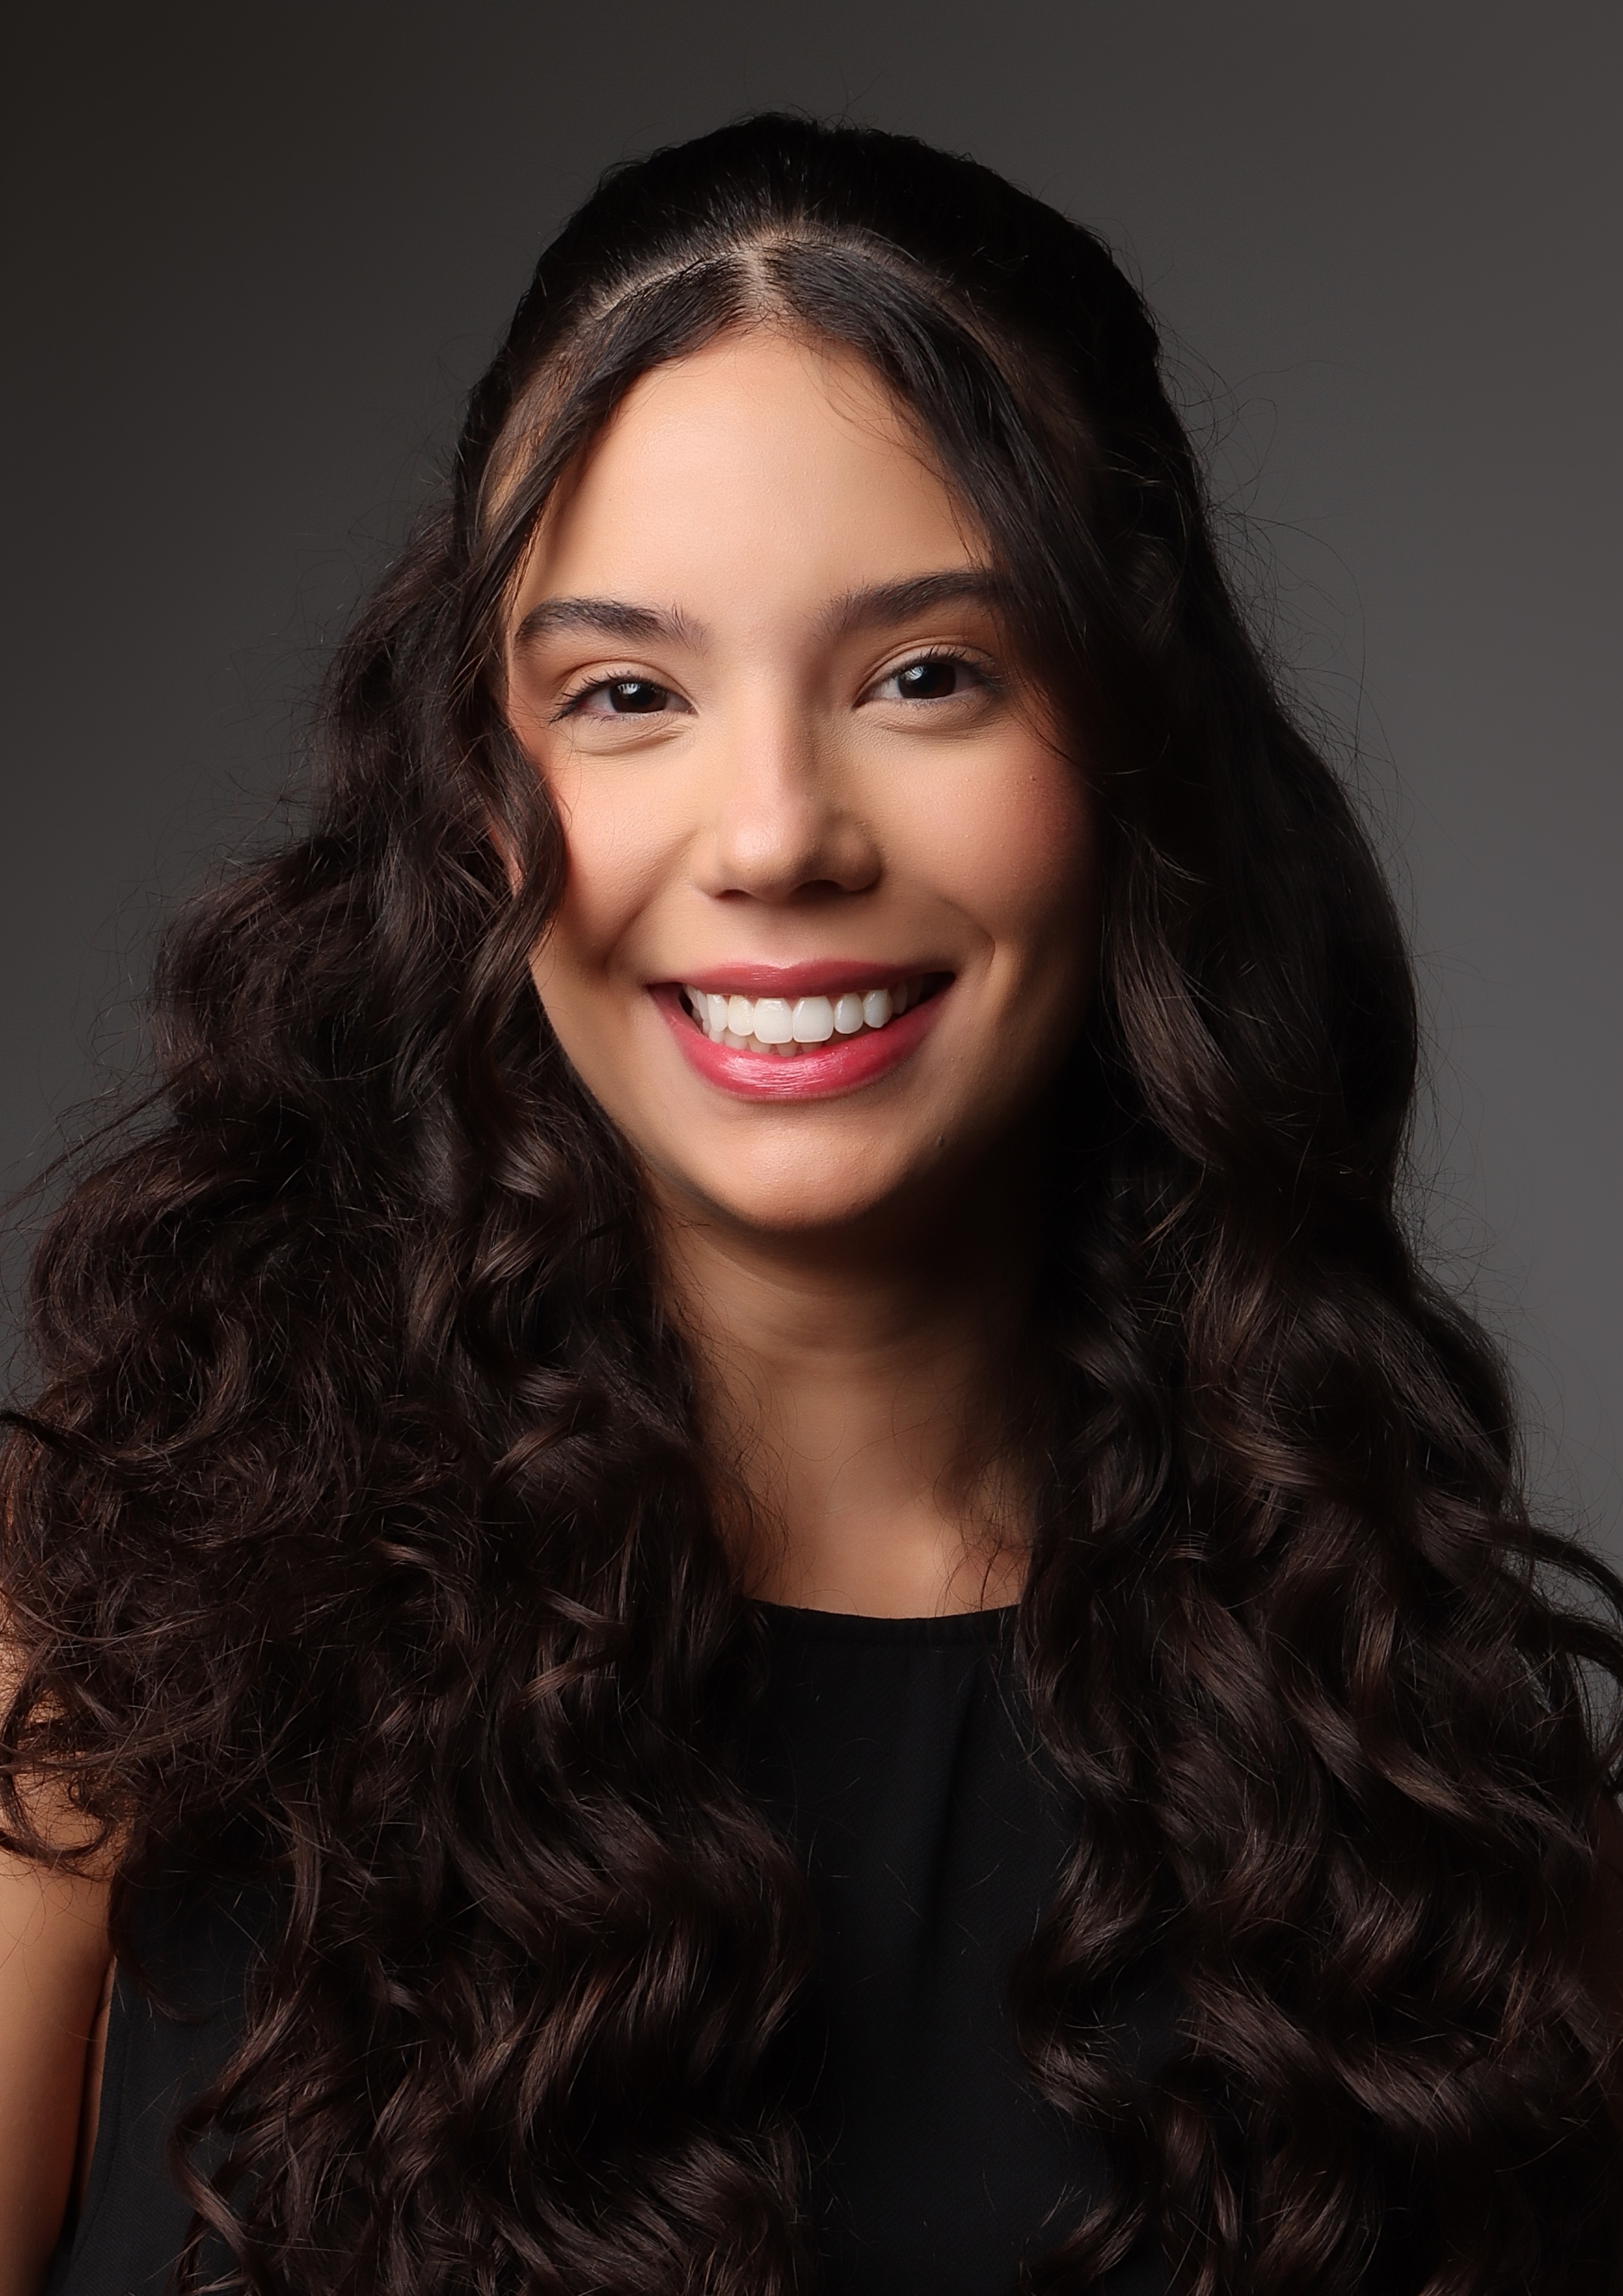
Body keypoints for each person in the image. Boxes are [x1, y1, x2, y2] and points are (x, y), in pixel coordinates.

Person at [2, 113, 1619, 2296]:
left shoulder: (1445, 1804)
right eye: (626, 695)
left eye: (925, 675)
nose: (773, 835)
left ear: (1132, 740)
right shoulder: (101, 1666)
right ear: (474, 794)